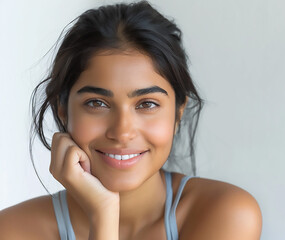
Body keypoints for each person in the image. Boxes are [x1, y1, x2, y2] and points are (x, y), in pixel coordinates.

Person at [0, 1, 262, 240]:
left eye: (147, 104)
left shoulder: (226, 214)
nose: (122, 131)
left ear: (178, 112)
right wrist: (102, 214)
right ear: (63, 110)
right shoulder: (13, 230)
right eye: (97, 103)